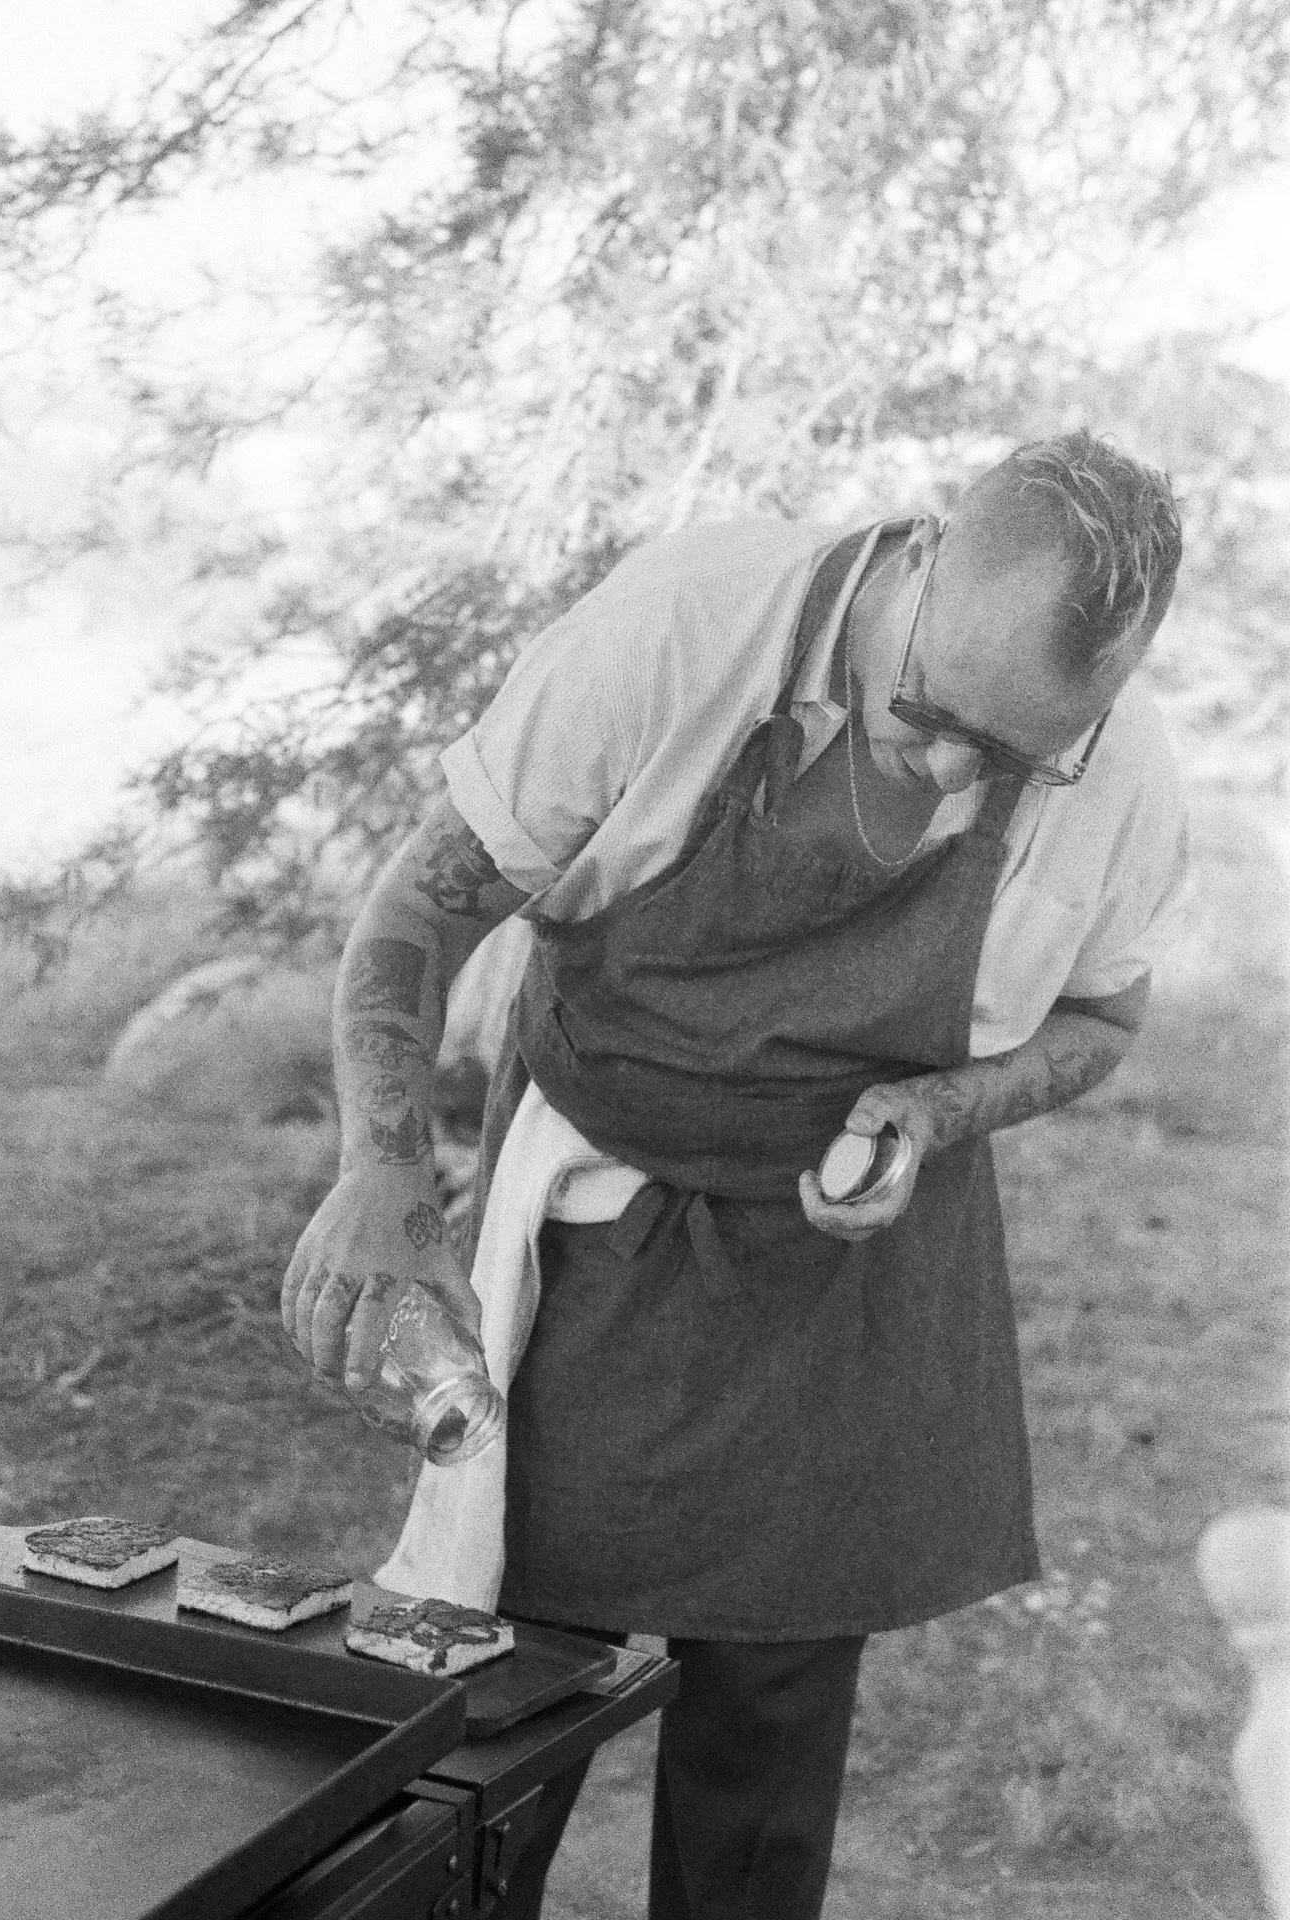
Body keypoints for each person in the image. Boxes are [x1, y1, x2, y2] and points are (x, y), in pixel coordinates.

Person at [282, 431, 1188, 1918]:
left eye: (1017, 757)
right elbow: (411, 917)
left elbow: (1106, 1013)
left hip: (843, 1274)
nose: (961, 771)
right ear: (919, 556)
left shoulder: (1123, 772)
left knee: (770, 1731)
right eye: (933, 714)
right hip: (597, 1217)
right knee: (498, 1699)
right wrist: (386, 1174)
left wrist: (943, 1109)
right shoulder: (682, 624)